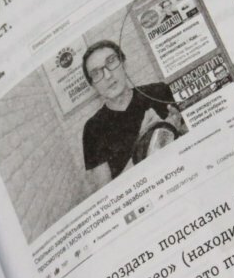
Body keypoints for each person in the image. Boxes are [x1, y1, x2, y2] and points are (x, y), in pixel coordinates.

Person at [79, 40, 185, 189]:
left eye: (111, 61)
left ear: (124, 63)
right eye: (96, 73)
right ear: (93, 85)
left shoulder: (158, 91)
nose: (108, 75)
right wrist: (144, 139)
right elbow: (108, 194)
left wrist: (178, 128)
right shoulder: (92, 129)